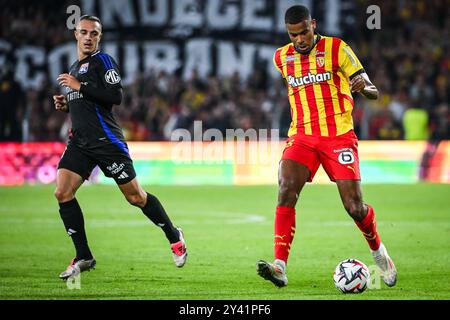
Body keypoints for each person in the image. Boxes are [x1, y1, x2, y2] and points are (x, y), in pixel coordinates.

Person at [256, 5, 397, 288]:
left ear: (314, 25)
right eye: (293, 35)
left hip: (338, 136)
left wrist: (362, 86)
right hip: (302, 136)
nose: (299, 40)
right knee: (285, 189)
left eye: (304, 32)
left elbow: (373, 89)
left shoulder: (337, 48)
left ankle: (379, 253)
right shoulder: (281, 57)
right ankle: (280, 266)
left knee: (354, 207)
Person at [53, 15, 187, 280]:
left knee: (136, 197)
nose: (88, 37)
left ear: (99, 37)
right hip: (80, 142)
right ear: (76, 35)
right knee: (62, 192)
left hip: (106, 143)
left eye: (94, 33)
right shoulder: (74, 66)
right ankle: (84, 256)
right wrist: (67, 103)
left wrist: (79, 86)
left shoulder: (104, 62)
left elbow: (116, 96)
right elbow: (88, 103)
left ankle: (174, 235)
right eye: (84, 32)